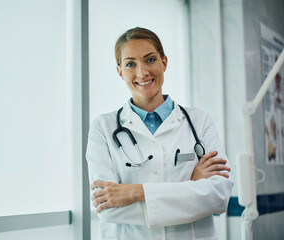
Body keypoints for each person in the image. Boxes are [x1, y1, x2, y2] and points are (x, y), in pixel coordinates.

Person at [86, 27, 233, 240]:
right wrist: (191, 188)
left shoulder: (200, 122)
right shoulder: (103, 127)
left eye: (150, 60)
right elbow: (108, 207)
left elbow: (219, 197)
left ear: (164, 62)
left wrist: (135, 192)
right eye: (130, 64)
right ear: (120, 71)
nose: (142, 72)